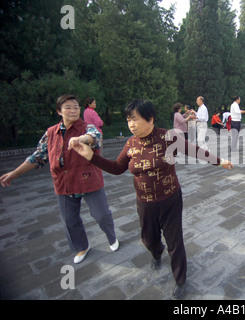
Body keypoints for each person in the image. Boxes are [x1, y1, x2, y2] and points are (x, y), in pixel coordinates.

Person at [70, 100, 234, 300]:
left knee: (175, 241)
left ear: (150, 119)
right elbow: (116, 168)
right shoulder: (131, 144)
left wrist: (220, 161)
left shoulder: (168, 137)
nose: (131, 124)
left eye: (135, 119)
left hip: (170, 199)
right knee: (149, 238)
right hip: (145, 201)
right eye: (128, 120)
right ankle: (156, 253)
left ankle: (180, 280)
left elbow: (194, 150)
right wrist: (91, 156)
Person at [0, 95, 119, 264]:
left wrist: (81, 139)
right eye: (68, 107)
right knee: (69, 221)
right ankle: (82, 247)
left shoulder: (86, 127)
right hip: (64, 183)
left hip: (88, 180)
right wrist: (15, 173)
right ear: (58, 111)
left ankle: (112, 237)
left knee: (101, 215)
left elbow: (95, 136)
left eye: (76, 107)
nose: (73, 110)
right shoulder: (51, 133)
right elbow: (38, 156)